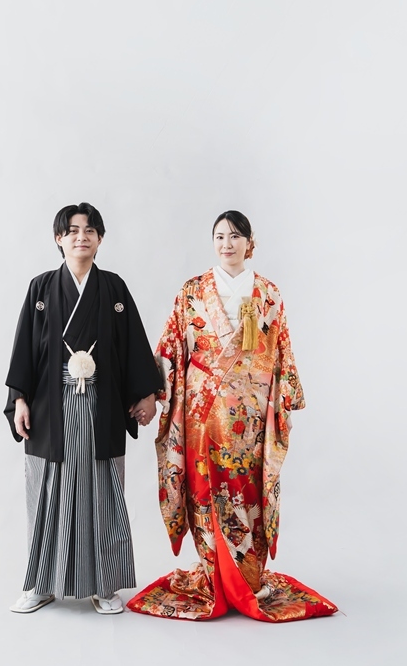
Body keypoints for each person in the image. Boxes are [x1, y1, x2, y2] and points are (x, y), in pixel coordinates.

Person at [127, 210, 338, 622]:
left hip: (251, 416)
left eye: (235, 236)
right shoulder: (192, 291)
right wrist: (150, 393)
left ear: (249, 242)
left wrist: (284, 400)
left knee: (247, 489)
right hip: (201, 412)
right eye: (220, 236)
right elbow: (171, 346)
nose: (227, 244)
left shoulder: (269, 294)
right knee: (204, 489)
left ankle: (246, 579)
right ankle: (213, 578)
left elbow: (281, 351)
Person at [4, 202, 162, 615]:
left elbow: (133, 346)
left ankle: (103, 586)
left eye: (90, 230)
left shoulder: (113, 289)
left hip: (100, 405)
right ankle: (41, 583)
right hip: (50, 407)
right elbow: (25, 349)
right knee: (47, 493)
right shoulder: (41, 288)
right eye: (72, 230)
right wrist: (19, 399)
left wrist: (146, 394)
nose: (81, 237)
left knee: (102, 492)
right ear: (59, 238)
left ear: (100, 239)